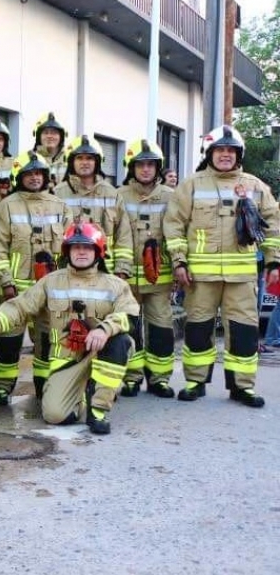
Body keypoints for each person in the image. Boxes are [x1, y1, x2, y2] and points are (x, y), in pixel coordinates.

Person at [0, 222, 139, 434]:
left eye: (87, 247)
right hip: (67, 360)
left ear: (98, 251)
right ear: (67, 251)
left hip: (100, 353)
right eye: (75, 247)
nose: (81, 252)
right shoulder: (51, 281)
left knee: (120, 341)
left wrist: (104, 329)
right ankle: (84, 395)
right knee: (55, 415)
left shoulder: (115, 285)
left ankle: (98, 410)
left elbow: (130, 316)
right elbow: (21, 306)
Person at [163, 125, 280, 407]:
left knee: (243, 330)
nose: (225, 155)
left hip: (241, 277)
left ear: (239, 154)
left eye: (231, 150)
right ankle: (195, 381)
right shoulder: (191, 185)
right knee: (198, 328)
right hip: (200, 277)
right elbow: (174, 225)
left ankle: (243, 387)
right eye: (220, 150)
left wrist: (274, 260)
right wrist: (178, 261)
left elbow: (273, 223)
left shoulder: (254, 186)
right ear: (209, 153)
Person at [0, 149, 72, 402]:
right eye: (29, 174)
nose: (34, 178)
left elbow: (69, 246)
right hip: (16, 289)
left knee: (47, 340)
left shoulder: (60, 206)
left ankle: (43, 386)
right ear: (18, 177)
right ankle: (2, 386)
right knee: (9, 341)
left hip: (50, 289)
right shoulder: (7, 206)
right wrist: (5, 281)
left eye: (39, 173)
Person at [116, 139, 176, 398]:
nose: (146, 170)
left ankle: (159, 378)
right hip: (127, 277)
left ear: (158, 168)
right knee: (130, 327)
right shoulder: (118, 195)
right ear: (131, 167)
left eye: (151, 165)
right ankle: (131, 377)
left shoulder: (171, 197)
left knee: (161, 327)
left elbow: (177, 233)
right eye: (140, 165)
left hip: (159, 278)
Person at [53, 134, 133, 278]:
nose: (85, 162)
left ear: (97, 161)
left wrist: (122, 267)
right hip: (67, 271)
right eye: (79, 158)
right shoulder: (57, 193)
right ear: (71, 161)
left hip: (104, 271)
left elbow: (123, 233)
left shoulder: (111, 194)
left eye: (89, 158)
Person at [32, 112, 68, 190]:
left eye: (54, 133)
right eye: (45, 133)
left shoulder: (71, 160)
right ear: (39, 137)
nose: (49, 136)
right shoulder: (28, 159)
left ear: (61, 137)